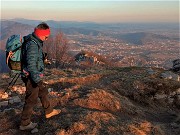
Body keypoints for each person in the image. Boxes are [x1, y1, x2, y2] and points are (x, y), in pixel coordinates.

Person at [20, 22, 61, 130]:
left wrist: (42, 59)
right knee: (31, 99)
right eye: (46, 36)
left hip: (34, 75)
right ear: (40, 34)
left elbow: (34, 59)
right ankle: (25, 124)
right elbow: (31, 66)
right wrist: (38, 81)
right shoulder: (33, 45)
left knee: (43, 92)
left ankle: (49, 111)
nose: (47, 39)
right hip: (31, 77)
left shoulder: (35, 41)